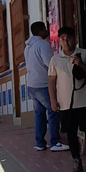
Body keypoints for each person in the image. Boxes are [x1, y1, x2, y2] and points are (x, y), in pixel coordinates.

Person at [48, 26, 86, 172]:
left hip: (85, 101)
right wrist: (53, 101)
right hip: (66, 104)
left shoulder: (85, 54)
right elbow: (51, 82)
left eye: (68, 38)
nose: (66, 42)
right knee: (71, 133)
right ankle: (76, 160)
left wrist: (80, 64)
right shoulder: (55, 60)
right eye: (62, 39)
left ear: (75, 39)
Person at [25, 21, 68, 152]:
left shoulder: (27, 46)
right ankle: (55, 141)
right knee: (53, 111)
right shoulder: (42, 45)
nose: (47, 31)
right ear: (40, 31)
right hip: (43, 84)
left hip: (32, 84)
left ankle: (40, 143)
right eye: (45, 29)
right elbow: (50, 64)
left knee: (39, 114)